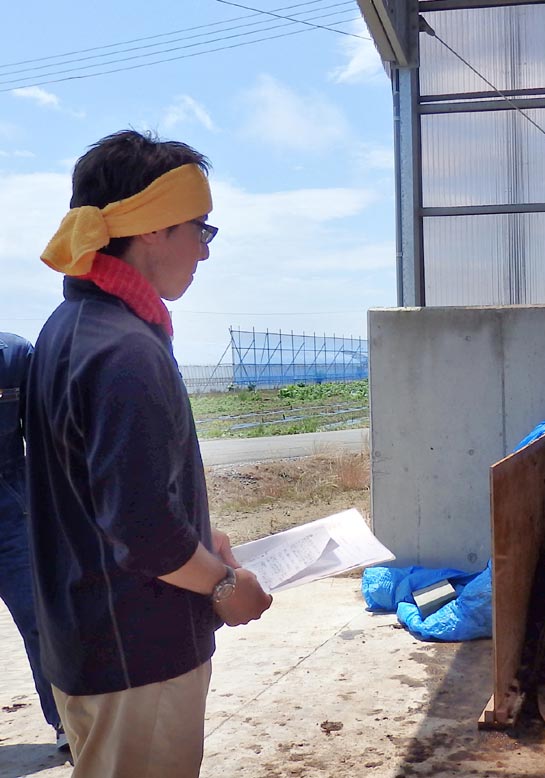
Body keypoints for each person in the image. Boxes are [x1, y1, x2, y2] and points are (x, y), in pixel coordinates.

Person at [24, 129, 273, 778]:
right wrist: (224, 585)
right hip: (135, 654)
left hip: (93, 641)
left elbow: (101, 492)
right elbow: (141, 529)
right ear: (153, 228)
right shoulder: (125, 351)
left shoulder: (71, 328)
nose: (205, 252)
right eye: (201, 229)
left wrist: (202, 535)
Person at [0, 331, 67, 751]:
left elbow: (44, 441)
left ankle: (66, 720)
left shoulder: (15, 356)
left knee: (42, 620)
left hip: (12, 514)